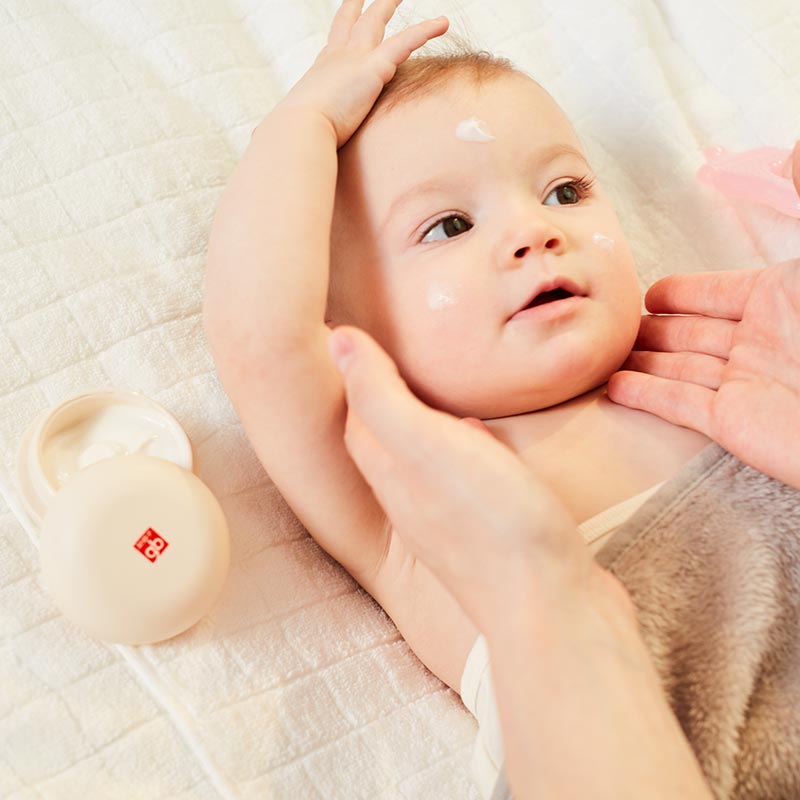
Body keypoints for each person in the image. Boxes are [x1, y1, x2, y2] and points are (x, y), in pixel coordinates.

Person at [203, 0, 800, 795]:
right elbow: (261, 342)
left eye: (563, 192)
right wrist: (303, 121)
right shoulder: (409, 494)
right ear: (346, 326)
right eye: (449, 225)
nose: (534, 230)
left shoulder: (739, 386)